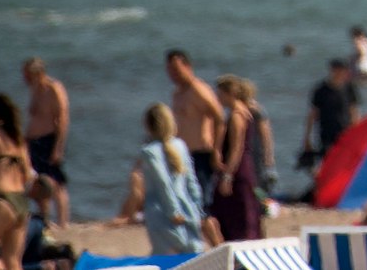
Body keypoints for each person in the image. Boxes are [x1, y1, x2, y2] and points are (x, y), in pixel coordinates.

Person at [110, 103, 207, 255]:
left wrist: (172, 212)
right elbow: (192, 181)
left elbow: (163, 184)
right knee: (192, 255)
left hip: (161, 212)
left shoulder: (149, 151)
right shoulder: (180, 145)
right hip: (187, 208)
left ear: (148, 126)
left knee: (163, 258)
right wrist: (198, 209)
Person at [166, 50, 225, 198]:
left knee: (202, 198)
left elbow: (220, 117)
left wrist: (217, 150)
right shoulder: (178, 93)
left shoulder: (198, 90)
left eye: (177, 70)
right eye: (170, 71)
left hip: (202, 152)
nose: (173, 75)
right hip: (184, 153)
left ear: (188, 67)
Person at [209, 76, 262, 241]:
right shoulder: (245, 111)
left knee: (235, 215)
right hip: (244, 168)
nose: (218, 98)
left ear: (229, 94)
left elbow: (236, 148)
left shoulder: (236, 116)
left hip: (238, 171)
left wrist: (227, 176)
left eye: (220, 94)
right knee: (243, 213)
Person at [20, 60, 67, 230]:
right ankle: (45, 220)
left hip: (49, 139)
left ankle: (62, 223)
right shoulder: (35, 89)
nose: (25, 79)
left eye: (28, 75)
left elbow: (62, 118)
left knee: (56, 182)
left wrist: (58, 147)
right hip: (33, 142)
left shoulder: (53, 88)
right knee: (37, 182)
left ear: (38, 73)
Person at [0, 94, 31, 270]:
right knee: (12, 261)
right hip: (21, 203)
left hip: (3, 202)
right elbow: (28, 175)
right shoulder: (18, 141)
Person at [302, 59, 358, 171]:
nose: (340, 73)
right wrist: (307, 138)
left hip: (345, 132)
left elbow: (354, 111)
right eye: (337, 70)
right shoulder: (321, 90)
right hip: (326, 133)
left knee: (346, 164)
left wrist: (357, 132)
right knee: (328, 163)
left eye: (342, 71)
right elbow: (313, 114)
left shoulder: (349, 88)